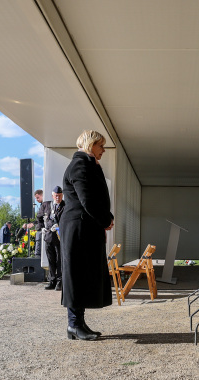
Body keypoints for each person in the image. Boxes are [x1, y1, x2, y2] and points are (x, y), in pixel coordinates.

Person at [60, 130, 114, 341]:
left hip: (84, 228)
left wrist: (106, 218)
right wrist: (105, 220)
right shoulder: (80, 165)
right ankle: (74, 324)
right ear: (91, 145)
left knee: (81, 273)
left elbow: (96, 199)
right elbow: (88, 200)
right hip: (78, 228)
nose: (103, 150)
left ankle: (77, 323)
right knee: (76, 274)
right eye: (101, 146)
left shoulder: (88, 164)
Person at [43, 186, 65, 291]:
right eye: (56, 196)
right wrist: (41, 228)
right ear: (53, 195)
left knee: (59, 260)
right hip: (48, 237)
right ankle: (52, 281)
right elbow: (39, 217)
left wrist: (60, 226)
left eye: (60, 196)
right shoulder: (46, 205)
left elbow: (67, 220)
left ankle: (60, 281)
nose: (58, 197)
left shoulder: (65, 206)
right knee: (50, 260)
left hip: (59, 238)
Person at [31, 189, 46, 256]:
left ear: (42, 195)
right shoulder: (42, 205)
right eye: (36, 198)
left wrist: (33, 223)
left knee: (38, 252)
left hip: (41, 229)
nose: (37, 199)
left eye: (38, 197)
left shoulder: (45, 205)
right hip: (40, 229)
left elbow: (40, 217)